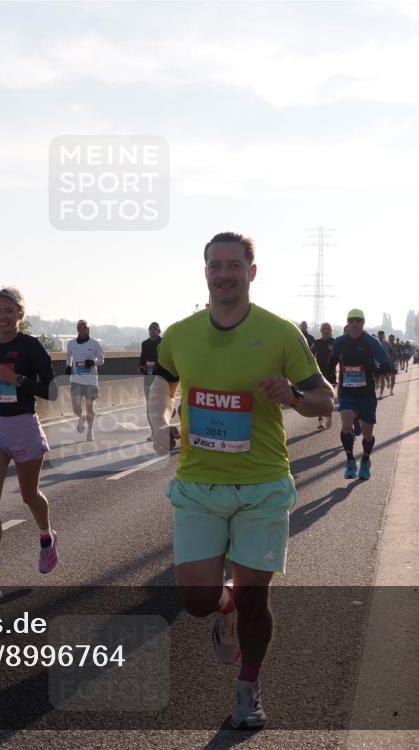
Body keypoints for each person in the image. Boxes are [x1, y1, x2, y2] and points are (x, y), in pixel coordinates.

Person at [147, 232, 334, 729]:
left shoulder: (279, 334)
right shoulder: (180, 334)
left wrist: (293, 394)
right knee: (196, 599)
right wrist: (160, 419)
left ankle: (248, 687)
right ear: (204, 271)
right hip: (198, 485)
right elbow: (162, 382)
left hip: (262, 485)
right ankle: (221, 609)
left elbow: (325, 400)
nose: (223, 273)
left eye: (234, 265)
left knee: (256, 598)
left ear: (252, 272)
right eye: (215, 265)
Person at [0, 287, 59, 600]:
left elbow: (52, 390)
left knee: (28, 494)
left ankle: (47, 536)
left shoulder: (31, 346)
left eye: (8, 311)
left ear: (20, 314)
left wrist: (17, 379)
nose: (2, 317)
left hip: (23, 426)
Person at [330, 310, 393, 481]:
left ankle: (365, 460)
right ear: (347, 323)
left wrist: (374, 368)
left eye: (358, 321)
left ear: (363, 323)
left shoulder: (371, 342)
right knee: (346, 426)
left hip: (366, 394)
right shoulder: (340, 342)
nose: (355, 324)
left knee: (367, 434)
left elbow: (386, 364)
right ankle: (350, 461)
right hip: (347, 392)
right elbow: (332, 361)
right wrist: (326, 377)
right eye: (351, 320)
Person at [66, 320, 105, 441]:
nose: (82, 329)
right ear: (77, 329)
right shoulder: (71, 344)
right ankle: (80, 417)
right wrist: (68, 366)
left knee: (90, 408)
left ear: (88, 329)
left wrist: (93, 362)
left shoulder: (94, 344)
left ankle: (90, 430)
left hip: (90, 380)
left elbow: (102, 359)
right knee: (75, 406)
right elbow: (68, 358)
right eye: (79, 327)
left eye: (84, 327)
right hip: (76, 379)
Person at [139, 322, 173, 441]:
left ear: (159, 331)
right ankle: (154, 433)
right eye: (151, 329)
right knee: (150, 406)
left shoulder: (163, 342)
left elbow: (170, 357)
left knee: (162, 404)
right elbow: (142, 358)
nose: (153, 331)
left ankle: (167, 422)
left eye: (155, 329)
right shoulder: (145, 344)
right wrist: (142, 367)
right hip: (148, 377)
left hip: (161, 377)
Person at [313, 322, 336, 430]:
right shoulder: (316, 343)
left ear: (331, 330)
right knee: (319, 399)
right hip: (319, 375)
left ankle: (329, 417)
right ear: (321, 330)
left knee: (328, 398)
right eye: (324, 328)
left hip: (331, 374)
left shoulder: (335, 342)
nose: (326, 330)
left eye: (328, 328)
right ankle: (320, 422)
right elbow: (309, 355)